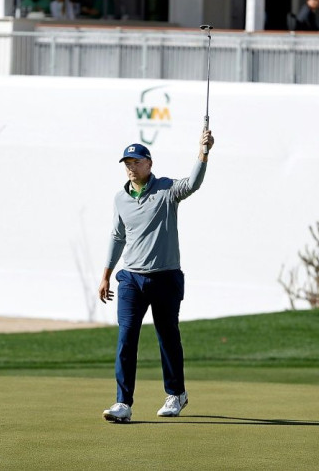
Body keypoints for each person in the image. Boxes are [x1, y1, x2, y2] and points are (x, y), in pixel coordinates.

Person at [98, 129, 215, 423]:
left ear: (149, 163)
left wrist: (203, 152)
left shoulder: (166, 190)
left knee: (167, 337)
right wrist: (106, 275)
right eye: (127, 163)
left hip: (165, 278)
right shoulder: (120, 199)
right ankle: (123, 403)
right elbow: (117, 236)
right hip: (131, 280)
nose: (130, 167)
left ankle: (176, 394)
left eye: (136, 162)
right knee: (126, 338)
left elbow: (193, 184)